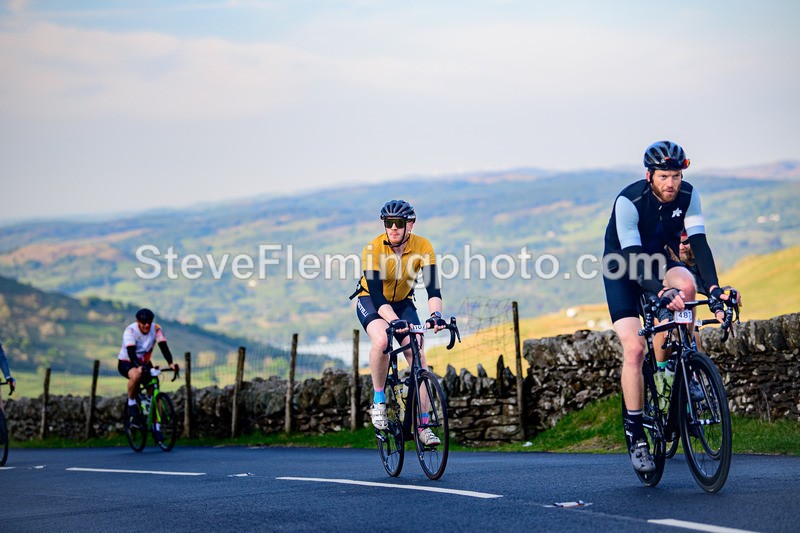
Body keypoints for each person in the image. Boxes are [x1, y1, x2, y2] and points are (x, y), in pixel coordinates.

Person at [602, 141, 739, 473]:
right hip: (623, 266)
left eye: (676, 176)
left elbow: (700, 246)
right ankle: (636, 437)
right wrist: (661, 291)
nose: (671, 184)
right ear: (650, 176)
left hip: (661, 260)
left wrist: (716, 290)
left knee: (689, 286)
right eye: (665, 176)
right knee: (634, 348)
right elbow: (634, 260)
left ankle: (677, 369)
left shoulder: (689, 196)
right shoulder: (629, 201)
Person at [351, 199, 447, 446]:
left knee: (419, 354)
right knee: (383, 339)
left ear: (410, 225)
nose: (392, 228)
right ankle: (380, 399)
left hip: (403, 301)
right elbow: (377, 295)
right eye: (388, 223)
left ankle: (423, 424)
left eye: (398, 223)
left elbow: (433, 289)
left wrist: (435, 315)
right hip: (371, 301)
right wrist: (394, 321)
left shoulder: (423, 246)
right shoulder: (372, 249)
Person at [118, 308, 178, 438]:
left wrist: (170, 363)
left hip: (144, 362)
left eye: (148, 322)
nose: (146, 325)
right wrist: (138, 367)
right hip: (127, 361)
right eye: (143, 322)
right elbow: (131, 352)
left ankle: (156, 428)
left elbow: (163, 346)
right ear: (137, 322)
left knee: (155, 392)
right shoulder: (130, 331)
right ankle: (132, 402)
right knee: (136, 375)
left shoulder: (156, 328)